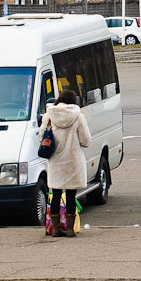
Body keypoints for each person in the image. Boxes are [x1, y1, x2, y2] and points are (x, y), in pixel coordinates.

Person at [41, 90, 90, 238]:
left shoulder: (48, 116)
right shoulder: (78, 116)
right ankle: (69, 229)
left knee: (55, 194)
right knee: (70, 194)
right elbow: (85, 141)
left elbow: (41, 136)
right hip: (73, 161)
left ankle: (55, 229)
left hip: (56, 161)